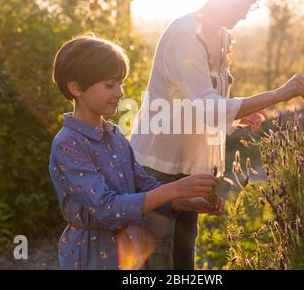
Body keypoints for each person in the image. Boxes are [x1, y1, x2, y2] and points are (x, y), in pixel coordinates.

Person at [130, 0, 304, 270]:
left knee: (183, 261)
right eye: (242, 2)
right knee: (157, 263)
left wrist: (238, 120)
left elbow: (204, 101)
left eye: (251, 5)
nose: (245, 13)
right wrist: (282, 93)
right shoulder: (185, 35)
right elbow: (209, 107)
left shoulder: (222, 36)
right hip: (158, 167)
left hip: (193, 168)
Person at [48, 35, 223, 270]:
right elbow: (106, 208)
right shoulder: (68, 144)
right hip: (90, 257)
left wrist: (188, 202)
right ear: (76, 87)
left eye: (120, 83)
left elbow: (144, 186)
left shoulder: (115, 135)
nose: (120, 92)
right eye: (110, 85)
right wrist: (176, 187)